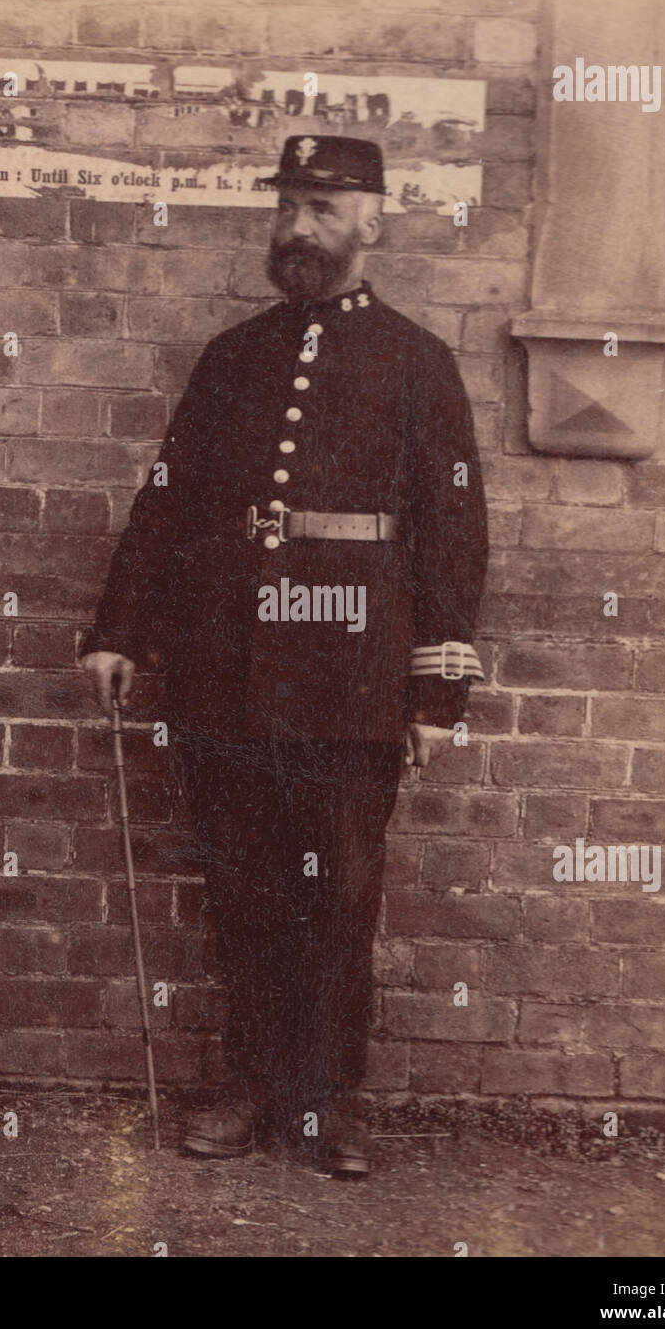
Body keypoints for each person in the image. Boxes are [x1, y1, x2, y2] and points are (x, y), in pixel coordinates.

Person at [80, 135, 488, 1176]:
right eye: (286, 207)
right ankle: (248, 1085)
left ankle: (330, 1103)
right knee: (244, 887)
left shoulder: (416, 362)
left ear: (370, 222)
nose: (297, 227)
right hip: (227, 666)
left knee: (341, 892)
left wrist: (437, 687)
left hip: (350, 676)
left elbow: (452, 525)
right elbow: (168, 498)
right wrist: (123, 629)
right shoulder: (234, 357)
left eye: (320, 206)